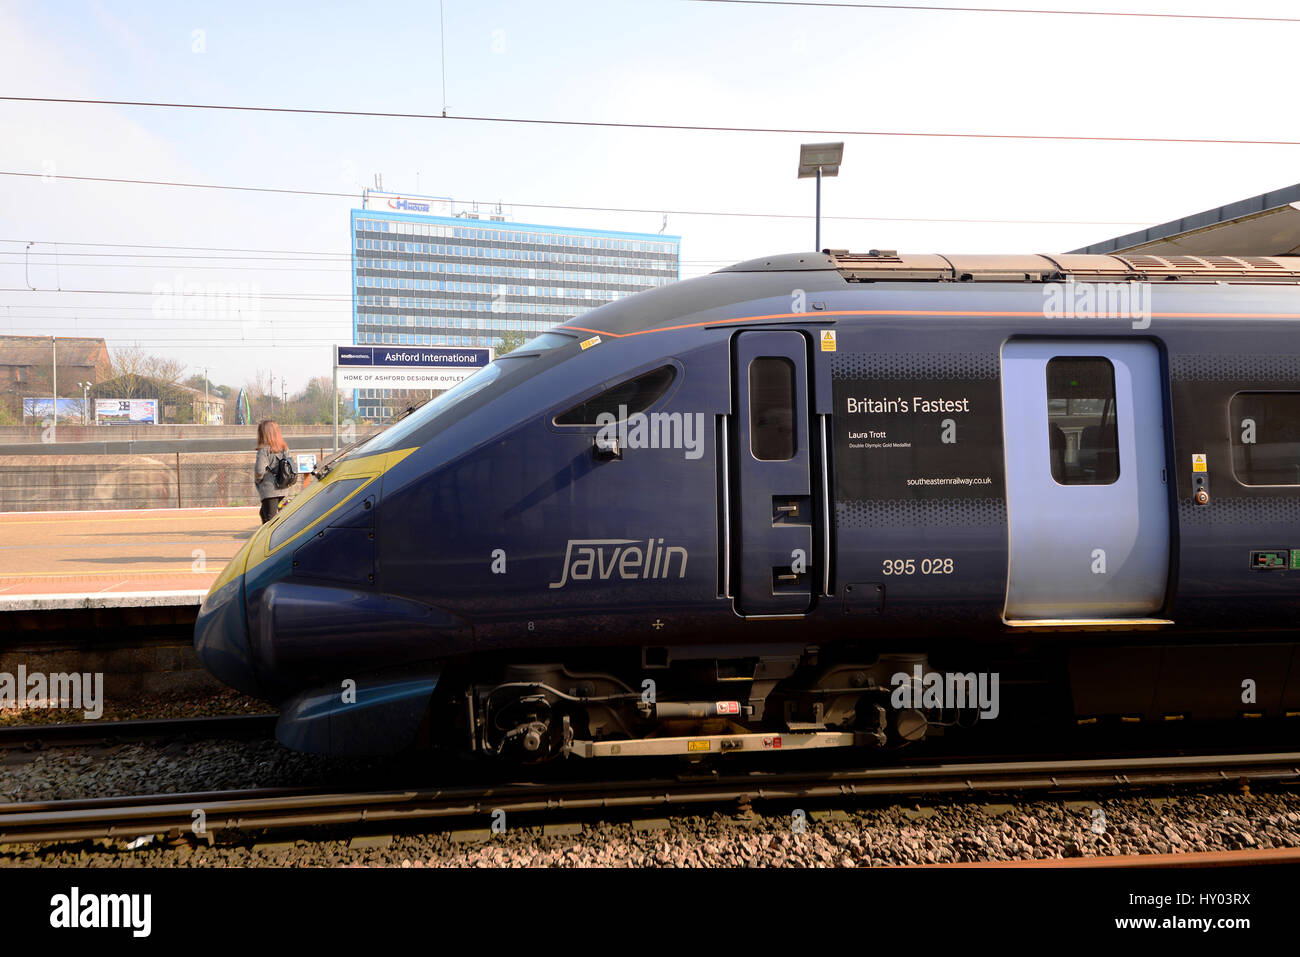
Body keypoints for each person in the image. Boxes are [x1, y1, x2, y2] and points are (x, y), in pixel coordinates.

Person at [254, 419, 291, 523]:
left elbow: (259, 470)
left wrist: (258, 480)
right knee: (283, 518)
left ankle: (271, 539)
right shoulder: (284, 447)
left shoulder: (264, 450)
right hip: (284, 489)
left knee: (269, 521)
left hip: (269, 490)